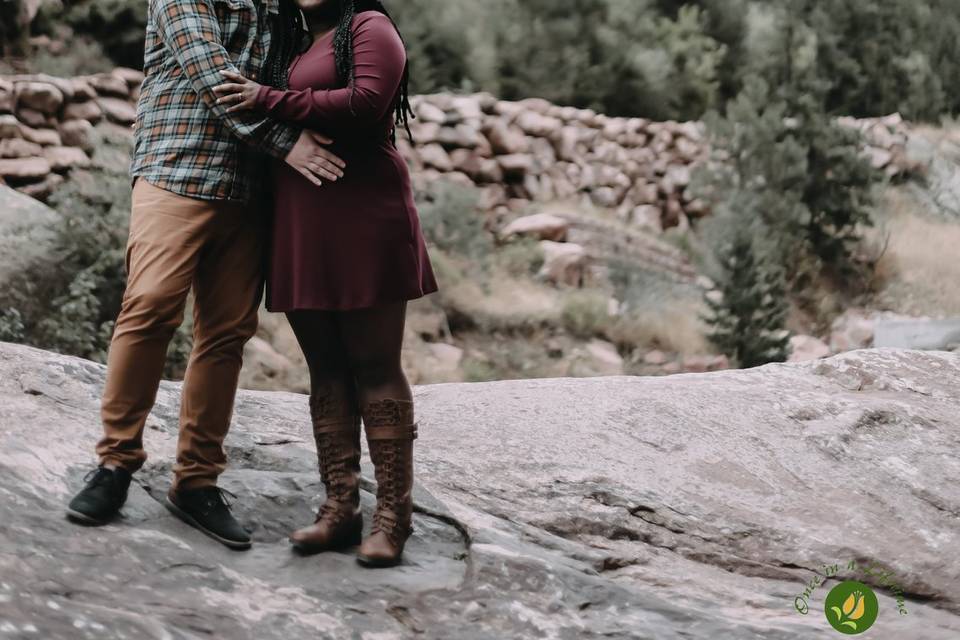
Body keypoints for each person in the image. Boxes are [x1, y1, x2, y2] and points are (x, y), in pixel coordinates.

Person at [65, 0, 349, 551]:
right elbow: (213, 77)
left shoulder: (288, 6)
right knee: (148, 308)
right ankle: (115, 464)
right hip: (178, 169)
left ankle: (196, 481)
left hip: (250, 190)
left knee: (226, 334)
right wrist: (289, 144)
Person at [211, 0, 438, 567]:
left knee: (375, 366)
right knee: (327, 369)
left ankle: (393, 518)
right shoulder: (297, 39)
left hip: (364, 214)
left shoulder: (370, 26)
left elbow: (365, 104)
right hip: (301, 219)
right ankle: (340, 507)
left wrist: (265, 98)